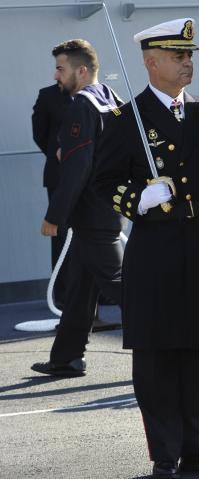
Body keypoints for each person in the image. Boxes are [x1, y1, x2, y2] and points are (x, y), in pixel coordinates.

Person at [94, 18, 199, 479]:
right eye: (177, 56)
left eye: (190, 55)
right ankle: (165, 452)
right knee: (157, 355)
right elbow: (101, 184)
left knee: (198, 349)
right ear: (151, 63)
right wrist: (139, 199)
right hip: (157, 252)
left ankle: (197, 443)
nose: (187, 62)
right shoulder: (124, 120)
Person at [31, 40, 124, 377]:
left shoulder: (80, 107)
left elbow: (77, 166)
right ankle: (66, 358)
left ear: (81, 71)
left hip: (92, 213)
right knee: (79, 287)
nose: (56, 75)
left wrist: (54, 216)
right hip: (104, 208)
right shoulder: (112, 100)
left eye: (61, 68)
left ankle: (170, 342)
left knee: (122, 286)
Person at [32, 81, 73, 309]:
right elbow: (39, 132)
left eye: (61, 66)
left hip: (90, 176)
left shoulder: (95, 94)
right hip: (59, 175)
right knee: (61, 232)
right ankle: (63, 293)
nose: (57, 72)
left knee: (94, 233)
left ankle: (100, 291)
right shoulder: (47, 95)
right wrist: (56, 152)